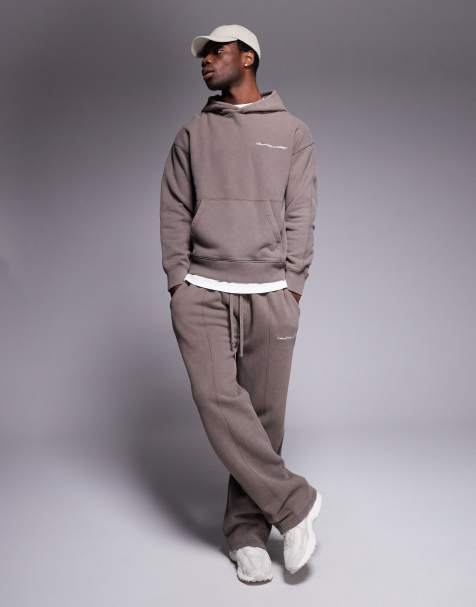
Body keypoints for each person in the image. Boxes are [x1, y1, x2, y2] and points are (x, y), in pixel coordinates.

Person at [160, 24, 322, 583]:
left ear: (247, 57)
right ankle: (296, 504)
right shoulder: (192, 133)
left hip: (270, 292)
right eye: (202, 55)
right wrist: (178, 281)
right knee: (217, 401)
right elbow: (174, 207)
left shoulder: (293, 131)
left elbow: (301, 210)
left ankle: (247, 534)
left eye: (216, 51)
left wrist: (293, 285)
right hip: (202, 290)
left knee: (265, 420)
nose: (205, 61)